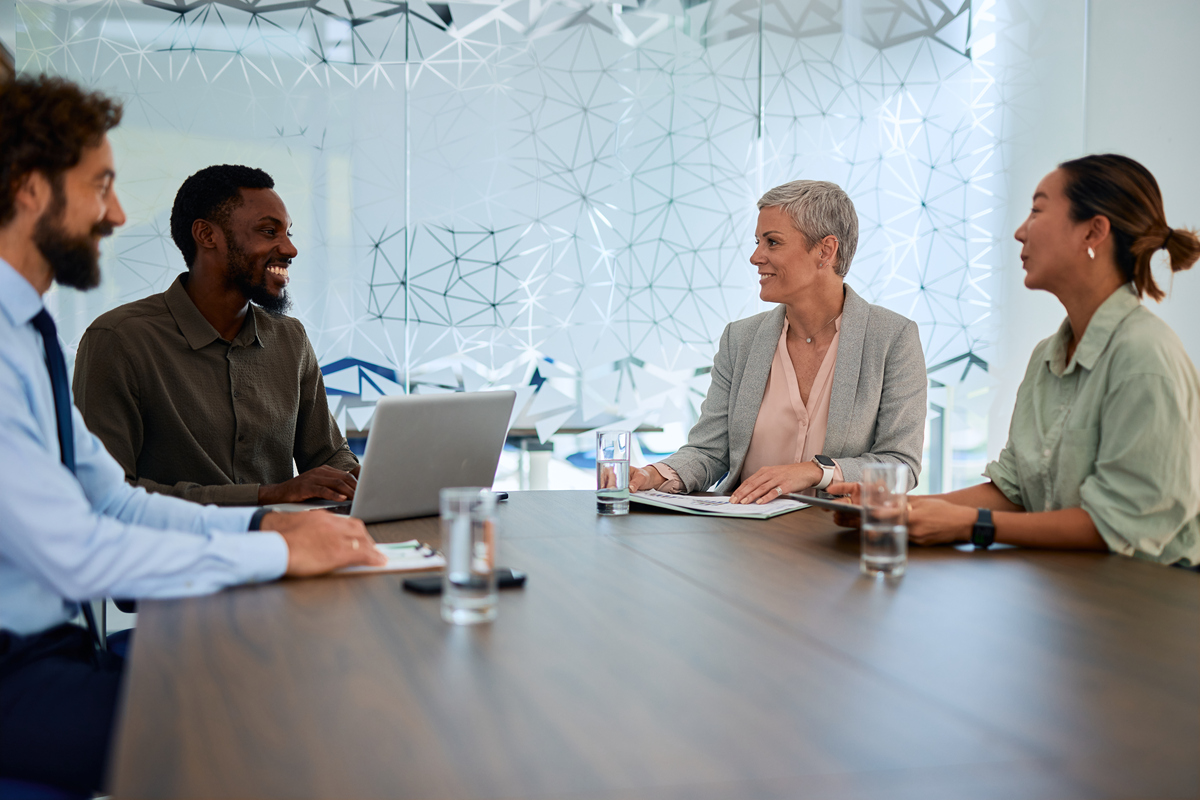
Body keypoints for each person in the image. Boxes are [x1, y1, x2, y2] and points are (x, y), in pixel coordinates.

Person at [0, 74, 385, 795]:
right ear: (29, 189)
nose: (117, 214)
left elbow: (110, 501)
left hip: (56, 651)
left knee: (318, 688)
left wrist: (267, 526)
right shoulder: (52, 341)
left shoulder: (27, 330)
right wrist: (274, 544)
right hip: (17, 668)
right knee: (272, 725)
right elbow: (78, 552)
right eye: (100, 185)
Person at [829, 154, 1199, 567]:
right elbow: (1015, 490)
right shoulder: (1047, 357)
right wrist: (896, 507)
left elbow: (1120, 525)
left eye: (1037, 211)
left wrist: (973, 525)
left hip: (1147, 596)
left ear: (1093, 231)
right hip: (1070, 588)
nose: (1020, 232)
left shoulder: (1145, 358)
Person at [72, 164, 360, 506]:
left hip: (288, 538)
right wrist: (265, 496)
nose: (289, 249)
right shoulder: (119, 340)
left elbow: (328, 456)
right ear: (207, 236)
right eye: (269, 231)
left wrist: (367, 480)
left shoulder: (290, 339)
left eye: (288, 233)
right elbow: (102, 493)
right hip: (174, 541)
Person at [628, 180, 927, 502]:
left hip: (833, 528)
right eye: (758, 242)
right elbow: (709, 451)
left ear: (825, 251)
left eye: (772, 242)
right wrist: (654, 474)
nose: (756, 257)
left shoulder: (892, 338)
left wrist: (815, 471)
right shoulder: (740, 340)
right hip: (742, 527)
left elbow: (901, 466)